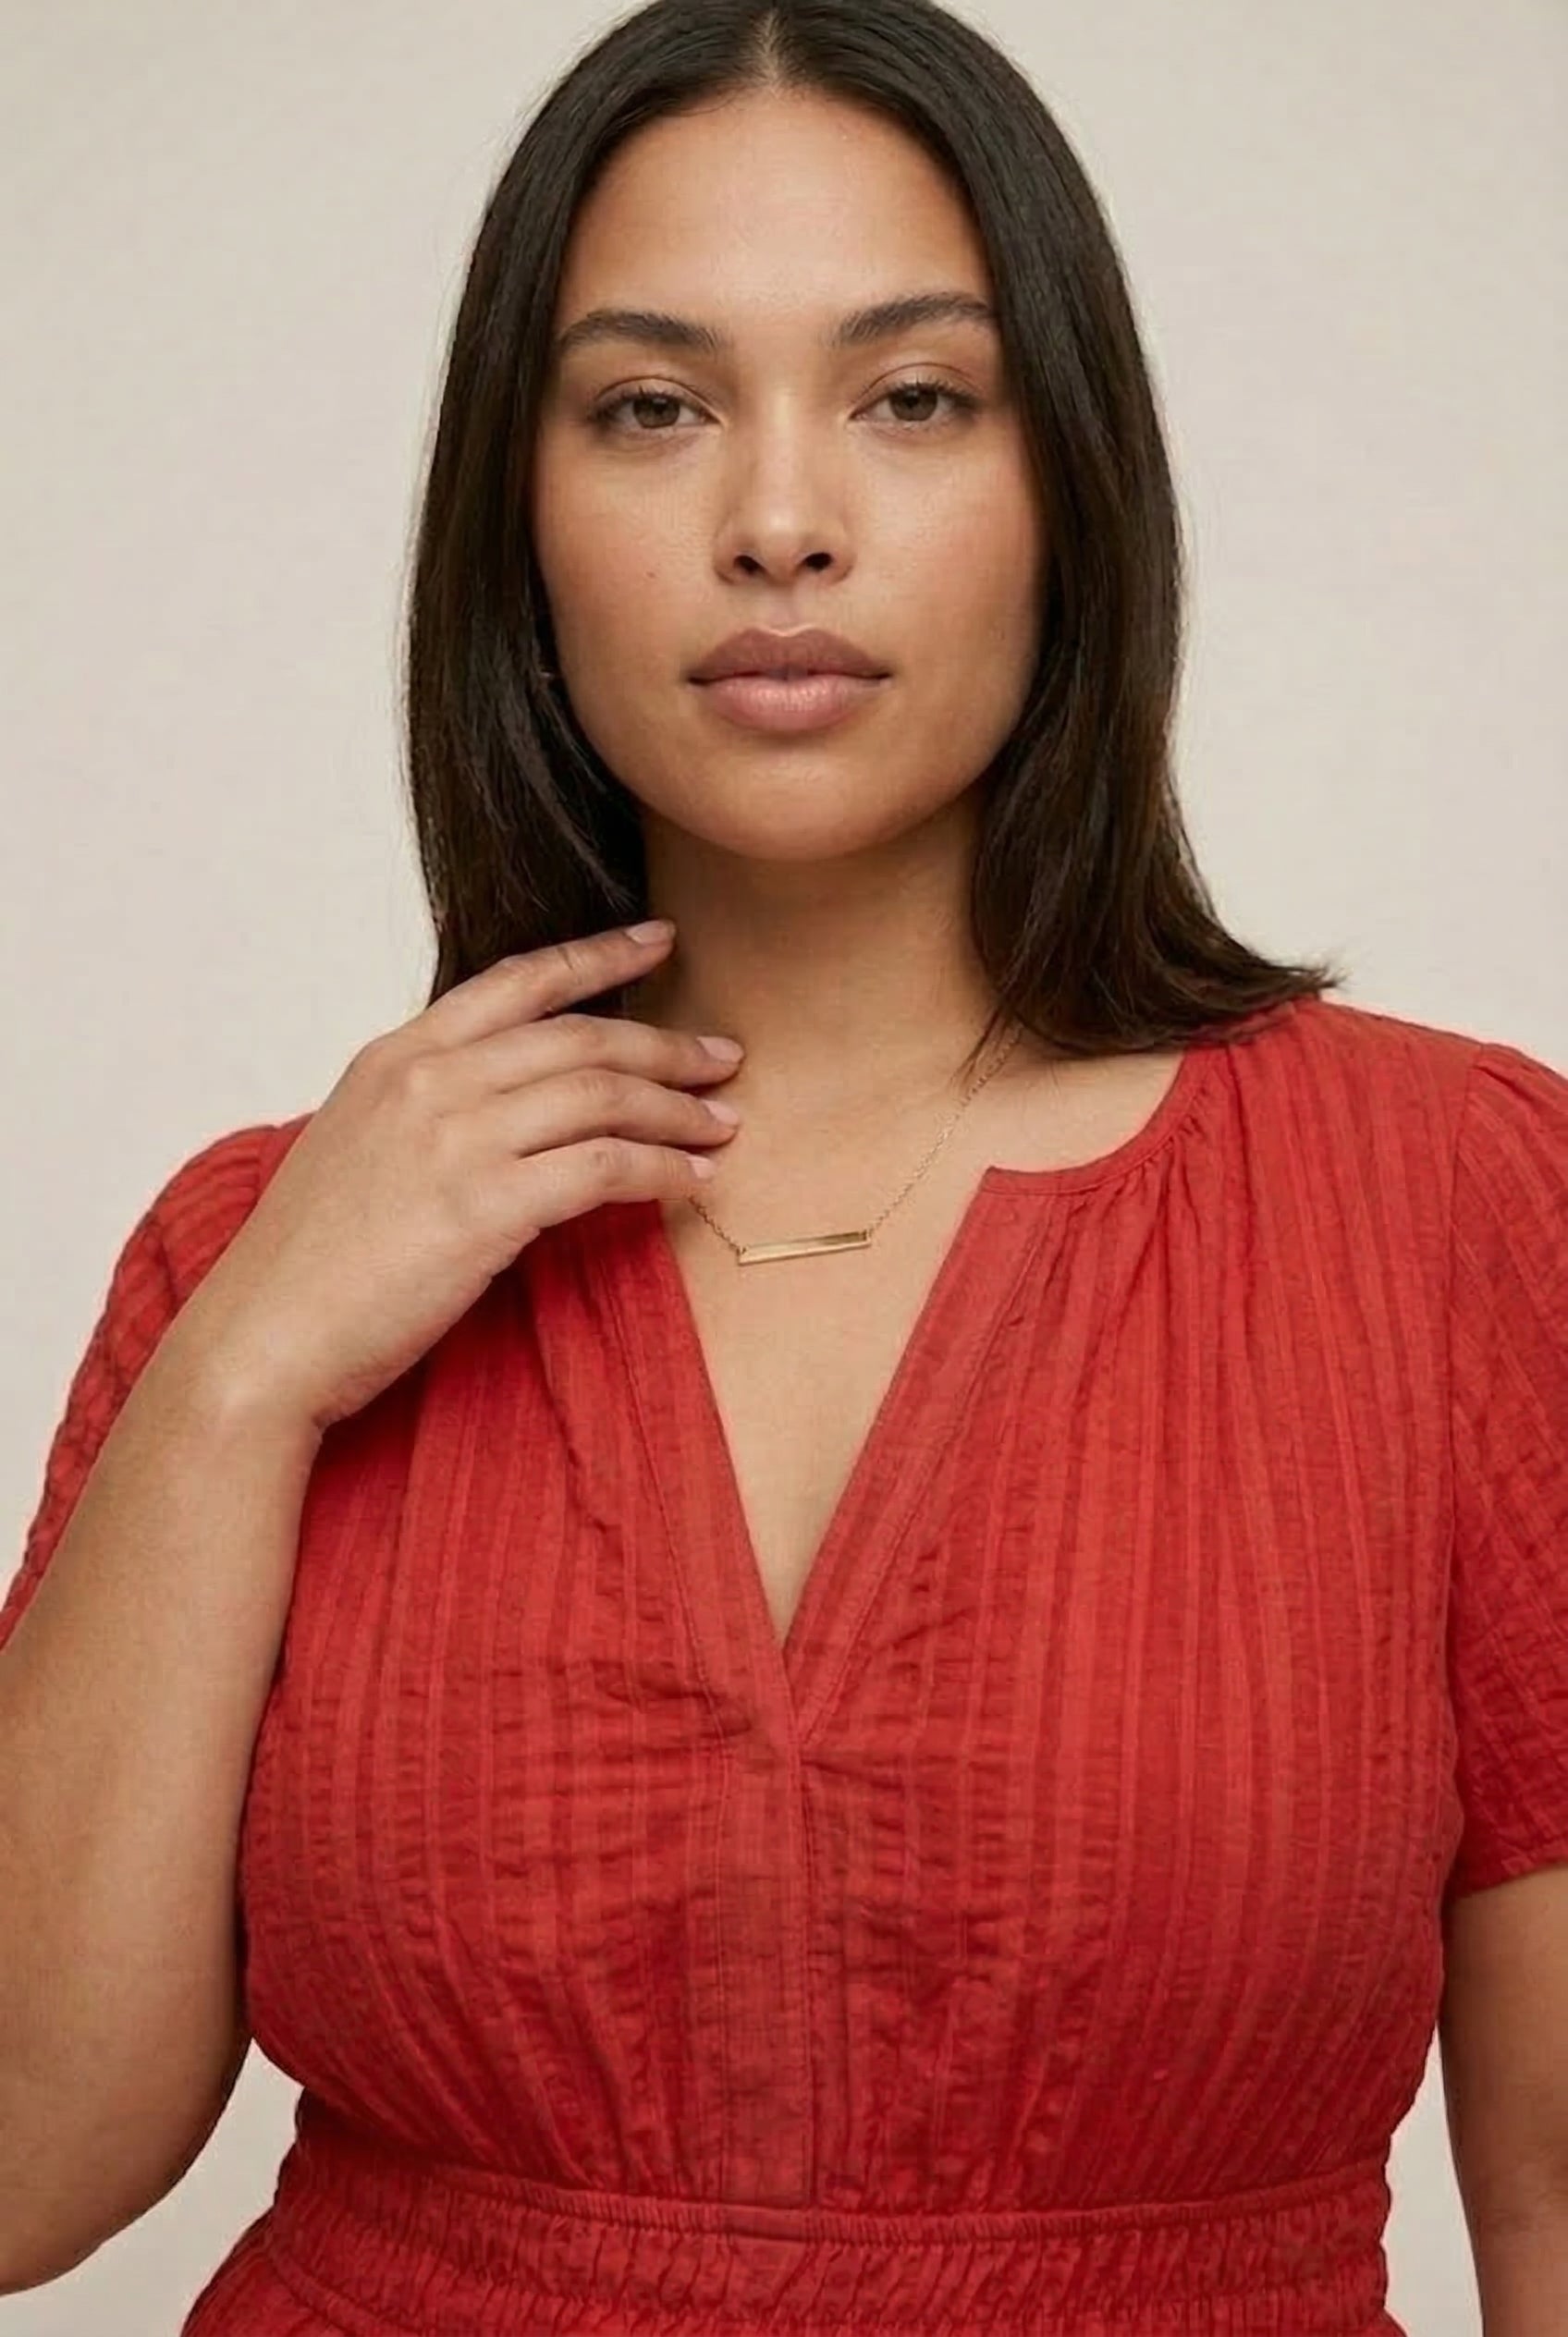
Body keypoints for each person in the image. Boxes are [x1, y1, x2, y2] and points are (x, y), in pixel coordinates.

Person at [2, 1, 1564, 2330]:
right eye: (650, 406)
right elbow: (23, 2163)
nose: (776, 519)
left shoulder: (1453, 1208)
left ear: (1072, 486)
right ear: (517, 518)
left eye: (911, 396)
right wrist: (240, 1379)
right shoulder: (261, 1249)